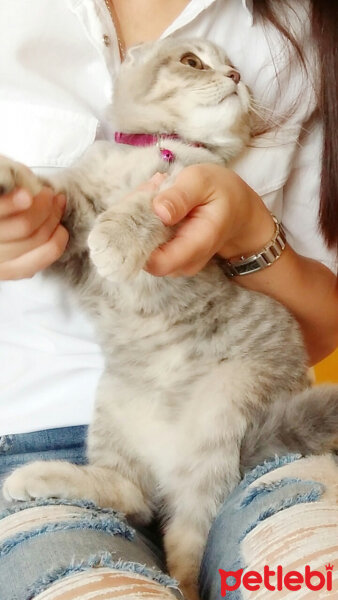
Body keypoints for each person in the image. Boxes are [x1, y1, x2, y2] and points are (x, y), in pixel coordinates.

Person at [0, 1, 337, 599]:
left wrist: (253, 234)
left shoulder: (305, 26)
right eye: (196, 65)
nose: (230, 76)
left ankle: (191, 547)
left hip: (240, 422)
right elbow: (71, 214)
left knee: (312, 576)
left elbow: (323, 321)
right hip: (48, 428)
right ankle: (118, 482)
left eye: (233, 74)